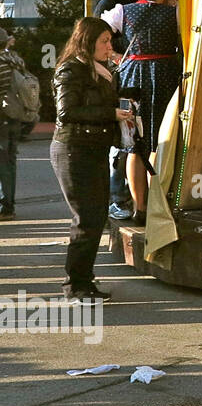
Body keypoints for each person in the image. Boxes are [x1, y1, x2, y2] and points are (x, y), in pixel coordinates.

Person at [50, 19, 135, 299]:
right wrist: (109, 113)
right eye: (104, 41)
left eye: (110, 41)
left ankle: (84, 281)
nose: (109, 47)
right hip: (74, 148)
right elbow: (66, 112)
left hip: (92, 148)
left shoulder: (99, 70)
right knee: (86, 218)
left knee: (96, 217)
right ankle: (75, 286)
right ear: (87, 41)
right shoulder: (71, 69)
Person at [103, 0, 181, 223]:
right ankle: (160, 204)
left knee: (135, 143)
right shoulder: (174, 13)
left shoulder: (121, 11)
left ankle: (140, 207)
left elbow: (99, 31)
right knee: (161, 140)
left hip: (132, 76)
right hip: (165, 74)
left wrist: (114, 56)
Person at [92, 0, 142, 220]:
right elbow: (97, 39)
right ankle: (115, 197)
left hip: (129, 78)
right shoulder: (110, 2)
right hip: (118, 80)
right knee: (121, 141)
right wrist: (119, 58)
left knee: (130, 136)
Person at [0, 29, 27, 218]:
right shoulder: (16, 60)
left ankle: (5, 205)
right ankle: (9, 204)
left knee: (2, 160)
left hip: (1, 115)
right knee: (10, 159)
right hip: (16, 114)